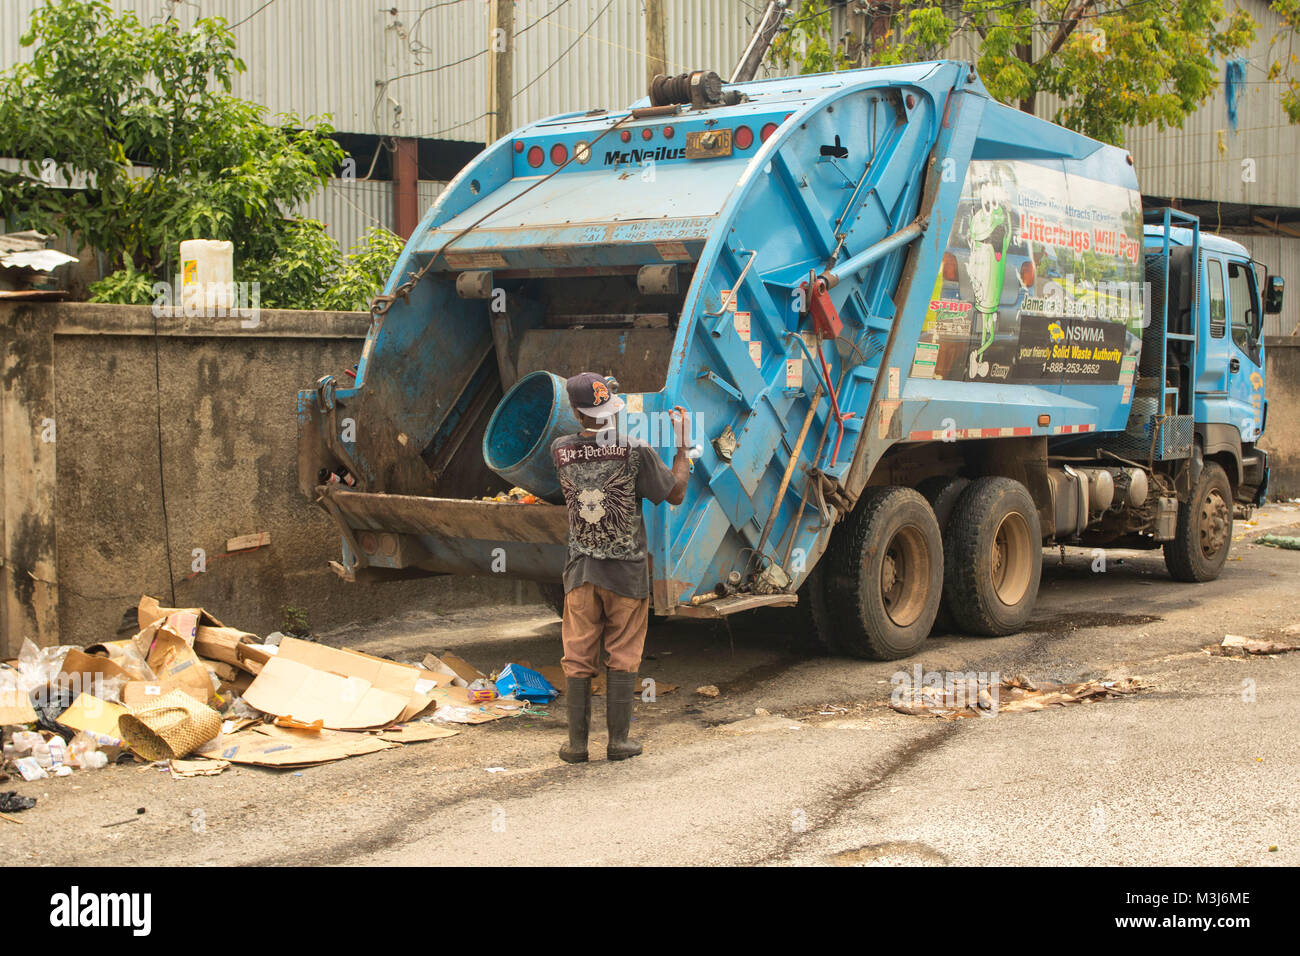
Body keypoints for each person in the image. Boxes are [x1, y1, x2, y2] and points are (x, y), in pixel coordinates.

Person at [550, 372, 689, 762]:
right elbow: (674, 494)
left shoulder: (559, 450)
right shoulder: (634, 450)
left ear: (575, 413)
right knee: (622, 653)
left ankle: (577, 746)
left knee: (577, 656)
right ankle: (619, 741)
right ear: (610, 410)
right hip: (625, 574)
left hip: (580, 572)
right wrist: (682, 449)